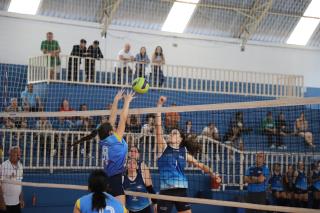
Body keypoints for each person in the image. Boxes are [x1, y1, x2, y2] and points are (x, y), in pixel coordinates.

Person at [72, 89, 135, 205]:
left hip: (107, 179)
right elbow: (123, 118)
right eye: (113, 127)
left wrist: (116, 100)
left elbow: (112, 118)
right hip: (115, 179)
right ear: (111, 132)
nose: (114, 126)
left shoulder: (104, 140)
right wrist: (127, 101)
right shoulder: (115, 139)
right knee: (121, 210)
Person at [156, 96, 215, 213]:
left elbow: (199, 164)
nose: (172, 134)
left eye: (175, 133)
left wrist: (213, 173)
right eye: (172, 133)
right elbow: (158, 128)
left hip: (181, 191)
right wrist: (159, 106)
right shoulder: (163, 147)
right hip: (166, 190)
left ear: (180, 139)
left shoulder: (184, 152)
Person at [0, 146, 24, 213]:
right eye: (16, 152)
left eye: (19, 153)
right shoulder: (3, 166)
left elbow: (20, 183)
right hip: (5, 203)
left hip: (16, 203)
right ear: (10, 154)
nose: (18, 155)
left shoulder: (20, 166)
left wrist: (21, 199)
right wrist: (1, 202)